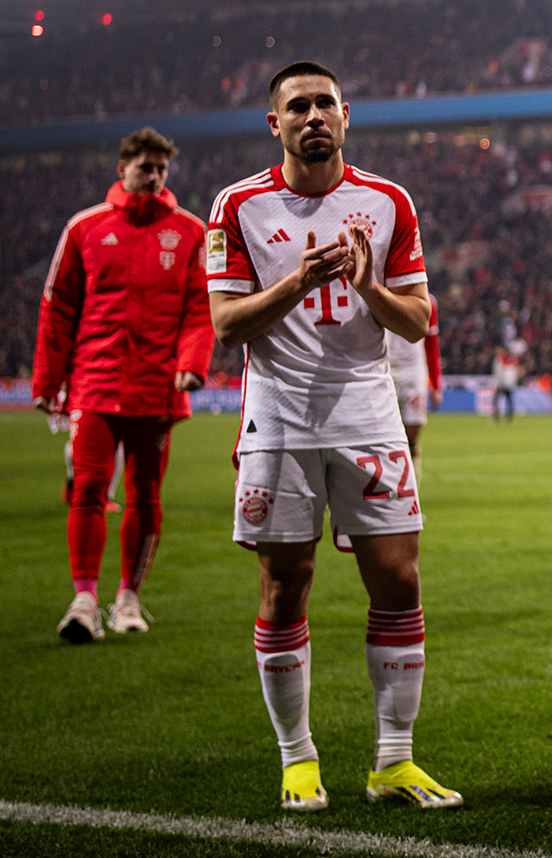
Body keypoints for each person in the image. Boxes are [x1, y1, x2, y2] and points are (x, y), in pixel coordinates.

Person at [206, 60, 461, 812]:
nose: (313, 116)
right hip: (279, 415)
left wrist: (366, 287)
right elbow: (225, 327)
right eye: (298, 107)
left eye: (325, 104)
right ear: (275, 123)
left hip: (368, 411)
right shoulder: (238, 206)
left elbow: (419, 320)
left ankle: (393, 760)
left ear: (346, 115)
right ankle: (298, 760)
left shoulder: (387, 202)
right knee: (286, 584)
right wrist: (297, 283)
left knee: (399, 580)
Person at [35, 127, 213, 643]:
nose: (153, 175)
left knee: (145, 496)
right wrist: (48, 379)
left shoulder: (190, 232)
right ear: (122, 169)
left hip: (158, 385)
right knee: (89, 490)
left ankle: (128, 600)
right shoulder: (85, 227)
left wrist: (193, 363)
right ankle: (85, 600)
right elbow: (58, 306)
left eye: (160, 168)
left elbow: (200, 307)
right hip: (94, 382)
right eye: (144, 166)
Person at [388, 293, 441, 463]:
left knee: (412, 435)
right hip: (386, 368)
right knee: (387, 434)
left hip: (414, 370)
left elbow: (431, 345)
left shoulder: (428, 301)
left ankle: (412, 486)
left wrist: (436, 385)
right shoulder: (380, 292)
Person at [491, 343, 521, 422]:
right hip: (502, 383)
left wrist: (500, 383)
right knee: (501, 400)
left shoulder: (502, 360)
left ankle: (507, 417)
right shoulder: (500, 360)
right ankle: (499, 416)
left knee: (504, 400)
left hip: (504, 384)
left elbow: (502, 373)